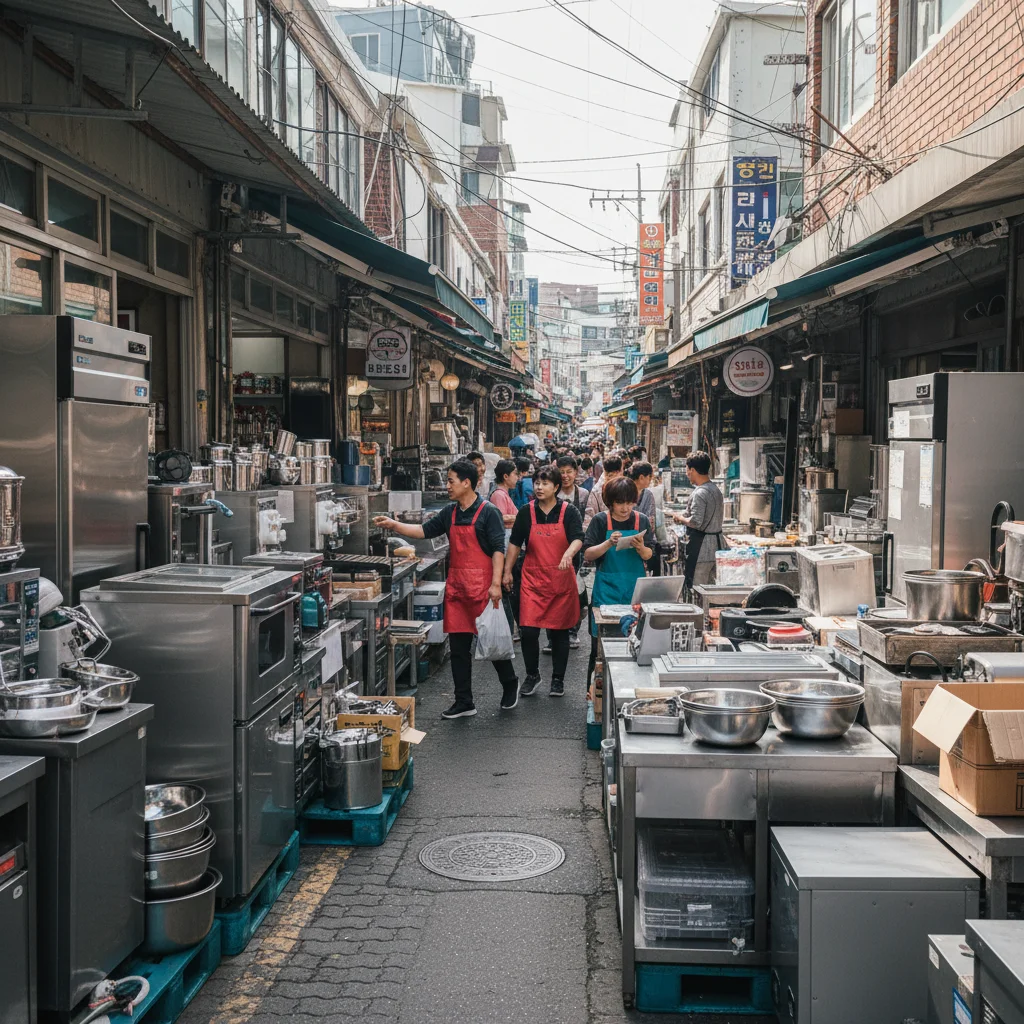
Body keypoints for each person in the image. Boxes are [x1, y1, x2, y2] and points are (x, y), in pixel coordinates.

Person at [374, 461, 519, 718]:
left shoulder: (489, 512)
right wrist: (394, 525)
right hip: (458, 589)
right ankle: (464, 701)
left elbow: (498, 549)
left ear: (466, 482)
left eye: (451, 480)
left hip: (484, 588)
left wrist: (496, 584)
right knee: (459, 649)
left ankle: (510, 684)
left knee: (492, 641)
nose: (447, 485)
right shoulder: (449, 512)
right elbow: (422, 531)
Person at [503, 466, 584, 698]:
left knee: (559, 632)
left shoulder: (569, 512)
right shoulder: (526, 512)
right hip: (532, 579)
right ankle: (532, 675)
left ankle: (558, 679)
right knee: (528, 630)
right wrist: (507, 571)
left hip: (560, 579)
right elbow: (515, 543)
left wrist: (568, 554)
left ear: (556, 487)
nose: (539, 487)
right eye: (537, 482)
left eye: (545, 483)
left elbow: (578, 537)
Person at [583, 476, 653, 684]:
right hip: (607, 590)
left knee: (636, 642)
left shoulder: (642, 520)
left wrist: (641, 547)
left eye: (629, 502)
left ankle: (629, 687)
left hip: (635, 590)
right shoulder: (600, 521)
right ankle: (594, 695)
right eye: (620, 503)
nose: (625, 508)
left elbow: (650, 554)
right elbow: (588, 554)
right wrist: (607, 543)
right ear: (610, 502)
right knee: (599, 647)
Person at [673, 450, 726, 591]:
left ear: (693, 470)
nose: (686, 473)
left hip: (702, 550)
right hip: (717, 547)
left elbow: (696, 522)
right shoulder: (715, 490)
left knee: (698, 590)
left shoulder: (700, 493)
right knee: (711, 590)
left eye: (687, 469)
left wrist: (679, 518)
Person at [583, 454, 624, 528]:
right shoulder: (596, 492)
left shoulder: (595, 491)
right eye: (610, 475)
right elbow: (589, 517)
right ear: (620, 471)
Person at [489, 458, 519, 535]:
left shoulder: (503, 494)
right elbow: (500, 517)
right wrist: (521, 517)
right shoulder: (499, 495)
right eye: (515, 474)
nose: (517, 477)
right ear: (506, 476)